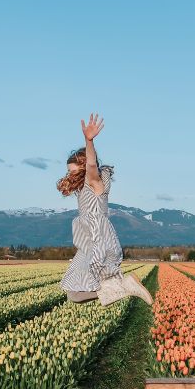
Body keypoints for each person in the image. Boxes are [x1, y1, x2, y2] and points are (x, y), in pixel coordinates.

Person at [58, 113, 153, 306]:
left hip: (97, 238)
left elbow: (92, 164)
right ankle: (124, 286)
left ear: (83, 167)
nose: (69, 174)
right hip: (87, 238)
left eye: (72, 170)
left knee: (80, 288)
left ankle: (124, 285)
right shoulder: (83, 186)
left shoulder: (94, 181)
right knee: (73, 293)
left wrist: (88, 140)